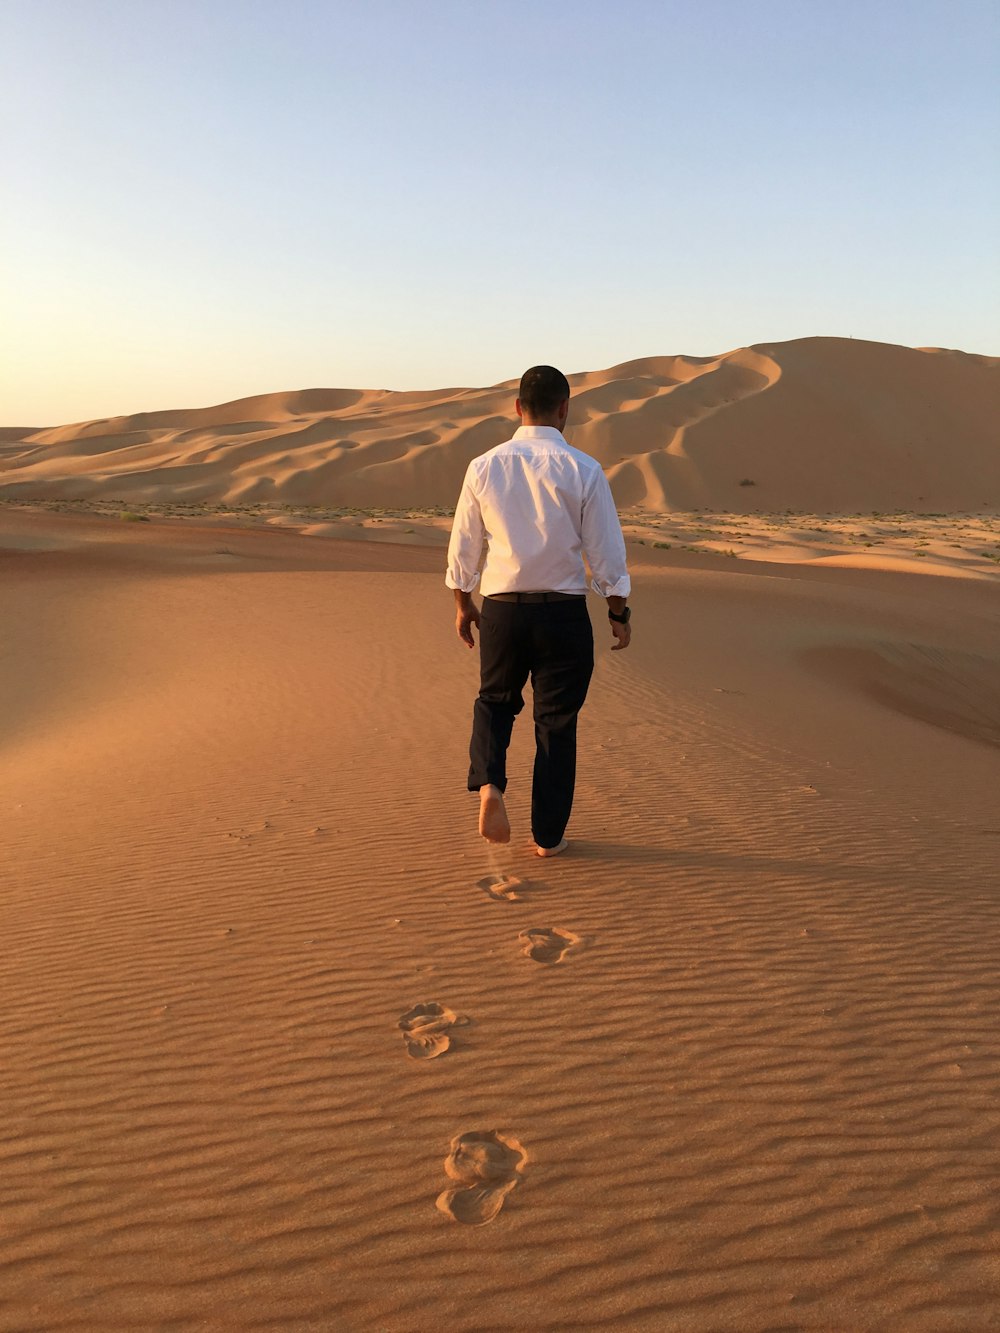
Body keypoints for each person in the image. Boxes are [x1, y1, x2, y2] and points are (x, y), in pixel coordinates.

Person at [446, 364, 631, 857]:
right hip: (563, 615)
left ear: (517, 408)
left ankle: (489, 786)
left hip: (503, 610)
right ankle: (547, 838)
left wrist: (464, 604)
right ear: (565, 409)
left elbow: (465, 548)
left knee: (493, 702)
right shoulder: (585, 470)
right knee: (556, 723)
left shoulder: (483, 466)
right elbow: (605, 553)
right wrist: (619, 611)